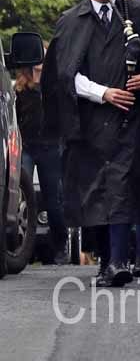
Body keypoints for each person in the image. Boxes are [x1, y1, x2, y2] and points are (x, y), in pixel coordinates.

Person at [41, 0, 140, 287]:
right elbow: (65, 75)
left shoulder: (139, 14)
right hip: (88, 120)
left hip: (130, 117)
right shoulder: (71, 20)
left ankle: (120, 261)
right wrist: (103, 92)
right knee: (95, 190)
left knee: (122, 186)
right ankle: (107, 261)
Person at [15, 57, 69, 264]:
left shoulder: (54, 88)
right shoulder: (21, 90)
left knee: (53, 199)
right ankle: (22, 248)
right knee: (24, 197)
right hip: (27, 146)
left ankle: (60, 244)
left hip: (50, 147)